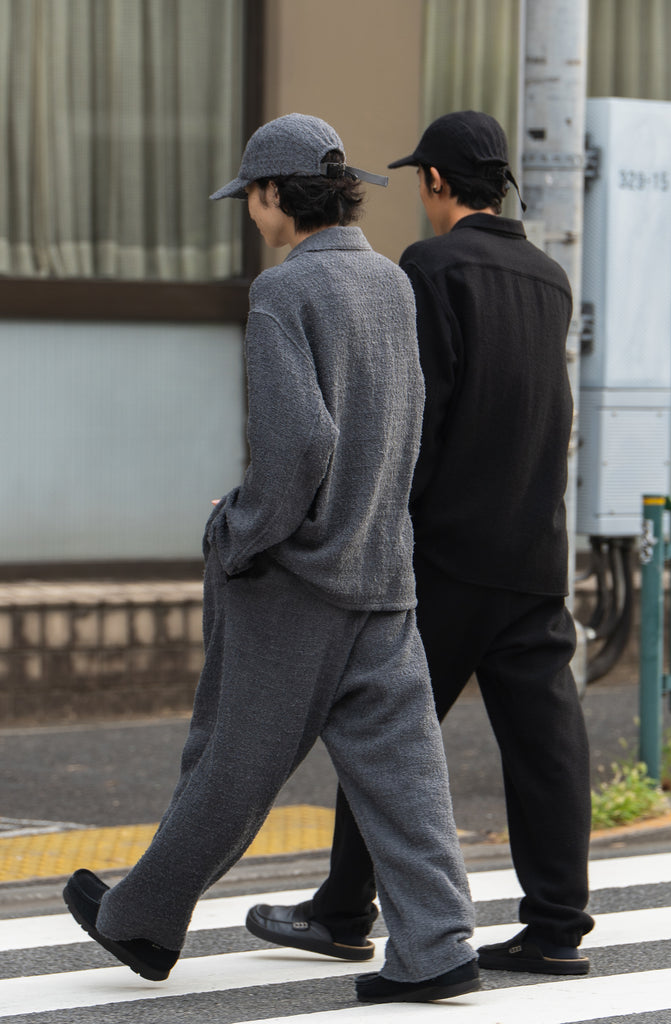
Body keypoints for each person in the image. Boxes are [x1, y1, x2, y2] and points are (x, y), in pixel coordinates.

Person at [62, 112, 480, 1005]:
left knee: (231, 763)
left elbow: (297, 449)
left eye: (249, 198)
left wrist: (238, 531)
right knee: (404, 772)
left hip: (297, 578)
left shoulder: (282, 293)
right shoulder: (390, 281)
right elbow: (403, 427)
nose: (250, 215)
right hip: (381, 568)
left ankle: (141, 922)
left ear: (271, 193)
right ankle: (438, 944)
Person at [249, 110, 595, 976]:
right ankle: (557, 927)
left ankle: (343, 910)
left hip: (444, 552)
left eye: (421, 180)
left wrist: (384, 524)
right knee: (546, 745)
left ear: (436, 181)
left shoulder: (431, 267)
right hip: (535, 548)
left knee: (381, 730)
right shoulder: (550, 276)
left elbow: (419, 414)